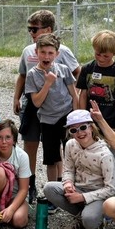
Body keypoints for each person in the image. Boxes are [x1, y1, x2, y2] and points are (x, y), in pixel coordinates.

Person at [12, 9, 80, 202]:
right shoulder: (29, 53)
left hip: (63, 112)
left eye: (35, 29)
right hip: (37, 108)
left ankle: (64, 185)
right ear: (37, 52)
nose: (31, 33)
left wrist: (77, 110)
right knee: (33, 144)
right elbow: (23, 76)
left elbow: (75, 78)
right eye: (29, 30)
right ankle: (31, 185)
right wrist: (16, 97)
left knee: (64, 150)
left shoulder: (63, 54)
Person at [44, 109, 115, 229]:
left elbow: (111, 189)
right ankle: (84, 214)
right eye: (73, 130)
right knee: (49, 188)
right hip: (79, 189)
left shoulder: (104, 154)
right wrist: (68, 183)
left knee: (90, 222)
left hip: (99, 194)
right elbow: (68, 170)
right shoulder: (70, 144)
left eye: (82, 127)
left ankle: (92, 217)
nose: (79, 133)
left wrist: (82, 197)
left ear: (91, 127)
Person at [25, 33, 79, 190]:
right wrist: (48, 83)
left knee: (71, 152)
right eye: (43, 52)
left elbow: (74, 95)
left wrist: (75, 118)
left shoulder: (63, 69)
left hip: (67, 116)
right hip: (48, 120)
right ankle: (53, 190)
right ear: (36, 52)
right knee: (51, 157)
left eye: (50, 53)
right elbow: (36, 102)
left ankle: (70, 186)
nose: (46, 56)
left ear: (57, 54)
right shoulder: (32, 75)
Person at [77, 30, 115, 173]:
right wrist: (82, 120)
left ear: (114, 53)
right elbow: (83, 93)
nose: (100, 58)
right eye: (97, 54)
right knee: (91, 162)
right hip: (91, 126)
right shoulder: (88, 68)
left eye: (105, 56)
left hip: (113, 126)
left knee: (112, 165)